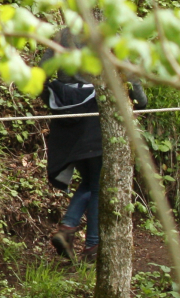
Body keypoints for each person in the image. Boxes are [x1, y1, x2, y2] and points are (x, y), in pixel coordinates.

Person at [42, 34, 147, 261]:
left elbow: (39, 74)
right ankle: (91, 246)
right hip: (95, 116)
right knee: (99, 185)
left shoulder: (62, 35)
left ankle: (68, 231)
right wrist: (139, 99)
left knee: (90, 182)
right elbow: (129, 76)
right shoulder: (104, 32)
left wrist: (54, 99)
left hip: (66, 121)